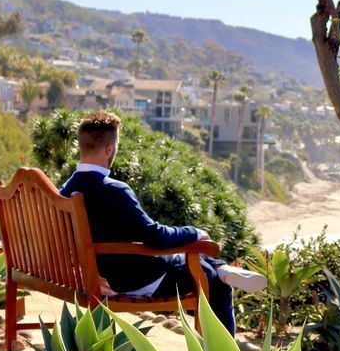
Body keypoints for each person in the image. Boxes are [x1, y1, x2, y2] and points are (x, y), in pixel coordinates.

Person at [59, 110, 263, 335]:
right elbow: (155, 237)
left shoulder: (66, 191)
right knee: (214, 283)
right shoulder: (114, 190)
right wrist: (194, 232)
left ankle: (222, 267)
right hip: (136, 280)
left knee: (197, 263)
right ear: (109, 149)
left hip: (104, 272)